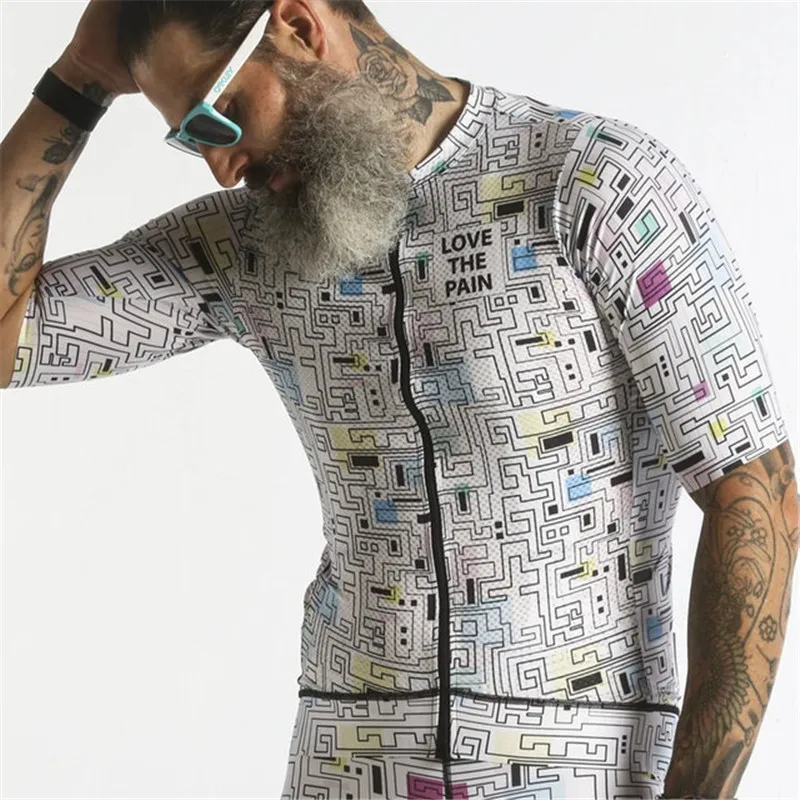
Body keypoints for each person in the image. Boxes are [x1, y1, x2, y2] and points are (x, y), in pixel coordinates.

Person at [1, 1, 796, 798]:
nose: (220, 165)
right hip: (342, 766)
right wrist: (78, 79)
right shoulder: (246, 247)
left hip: (581, 766)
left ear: (298, 27)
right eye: (191, 136)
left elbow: (753, 492)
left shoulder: (592, 183)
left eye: (221, 112)